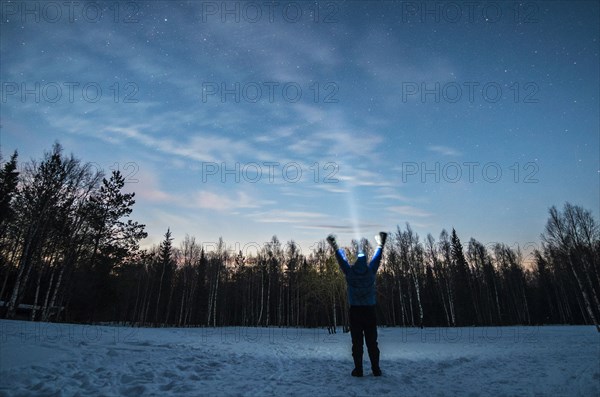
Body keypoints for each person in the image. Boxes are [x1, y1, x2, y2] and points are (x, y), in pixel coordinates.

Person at [327, 232, 388, 377]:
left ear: (355, 261)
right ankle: (376, 369)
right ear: (366, 260)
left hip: (355, 312)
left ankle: (359, 369)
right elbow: (377, 258)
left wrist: (335, 246)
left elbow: (341, 261)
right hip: (370, 311)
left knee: (357, 342)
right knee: (372, 342)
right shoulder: (370, 271)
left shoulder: (350, 273)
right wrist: (381, 244)